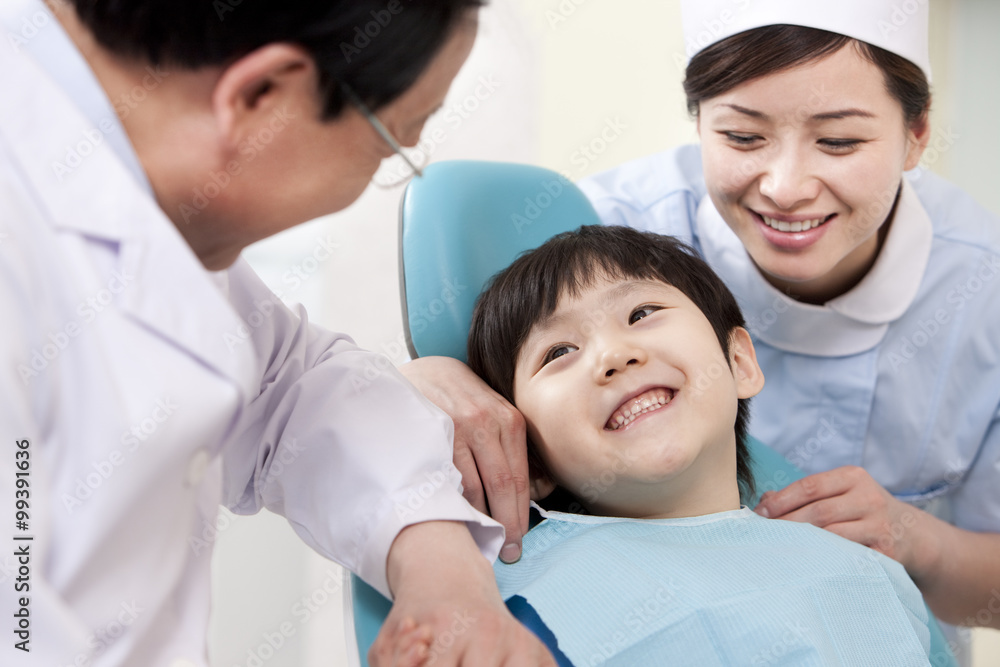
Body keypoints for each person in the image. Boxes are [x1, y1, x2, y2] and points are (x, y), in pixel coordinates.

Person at [399, 0, 1000, 661]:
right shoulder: (607, 237)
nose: (787, 186)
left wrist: (918, 542)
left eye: (839, 141)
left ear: (917, 134)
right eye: (743, 138)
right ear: (699, 125)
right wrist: (427, 384)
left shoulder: (981, 294)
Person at [0, 1, 555, 665]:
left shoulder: (127, 170)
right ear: (261, 95)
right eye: (387, 146)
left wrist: (447, 577)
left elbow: (290, 386)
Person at [400, 224, 934, 665]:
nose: (614, 354)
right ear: (528, 458)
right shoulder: (494, 601)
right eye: (559, 351)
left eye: (640, 315)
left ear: (740, 363)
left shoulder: (867, 573)